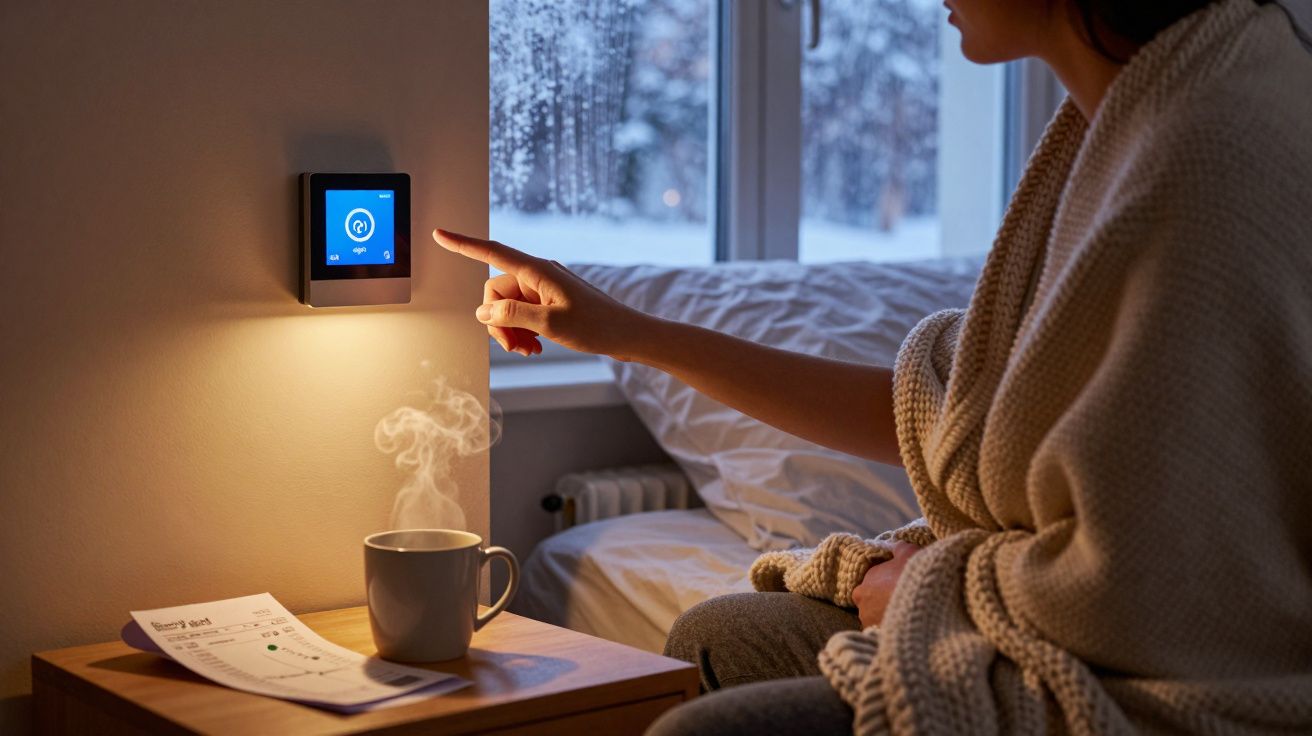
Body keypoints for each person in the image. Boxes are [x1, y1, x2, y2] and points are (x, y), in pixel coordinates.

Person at [436, 0, 1312, 732]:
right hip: (1051, 600)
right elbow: (943, 412)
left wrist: (936, 587)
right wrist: (628, 332)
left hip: (1166, 683)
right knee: (720, 634)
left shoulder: (1198, 160)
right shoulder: (1130, 113)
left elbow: (1154, 590)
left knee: (705, 729)